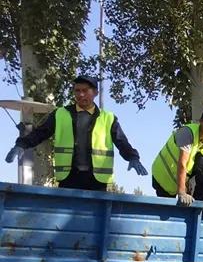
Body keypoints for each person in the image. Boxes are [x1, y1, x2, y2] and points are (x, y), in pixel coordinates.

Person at [5, 75, 147, 190]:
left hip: (97, 180)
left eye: (85, 90)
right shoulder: (60, 114)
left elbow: (121, 141)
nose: (80, 94)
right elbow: (40, 133)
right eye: (77, 91)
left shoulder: (108, 118)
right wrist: (21, 145)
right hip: (69, 178)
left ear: (95, 93)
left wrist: (133, 157)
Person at [151, 106, 203, 208]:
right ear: (201, 121)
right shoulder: (188, 132)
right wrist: (182, 192)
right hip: (163, 176)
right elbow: (182, 163)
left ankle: (202, 200)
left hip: (181, 179)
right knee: (166, 211)